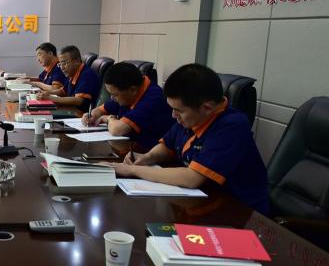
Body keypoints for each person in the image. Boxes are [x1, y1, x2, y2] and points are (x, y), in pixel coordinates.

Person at [108, 64, 269, 214]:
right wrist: (147, 157)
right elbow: (167, 146)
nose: (173, 115)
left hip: (237, 212)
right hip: (200, 200)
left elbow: (191, 178)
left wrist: (132, 170)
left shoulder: (232, 126)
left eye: (178, 110)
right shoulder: (193, 117)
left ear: (207, 107)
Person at [82, 62, 174, 152]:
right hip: (132, 149)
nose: (112, 98)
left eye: (114, 94)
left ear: (132, 90)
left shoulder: (154, 99)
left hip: (152, 155)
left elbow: (118, 129)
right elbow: (100, 109)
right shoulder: (126, 93)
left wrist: (108, 119)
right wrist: (91, 115)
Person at [36, 45, 99, 113]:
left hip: (80, 114)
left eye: (64, 63)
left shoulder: (87, 74)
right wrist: (46, 93)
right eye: (60, 64)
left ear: (77, 61)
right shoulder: (72, 73)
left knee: (43, 113)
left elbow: (79, 100)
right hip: (70, 109)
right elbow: (63, 91)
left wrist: (50, 98)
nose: (62, 67)